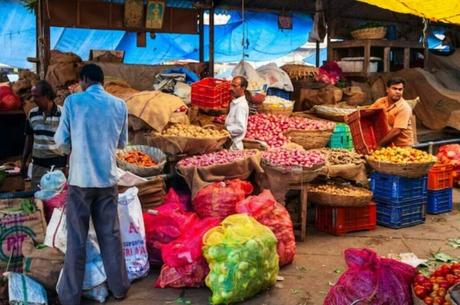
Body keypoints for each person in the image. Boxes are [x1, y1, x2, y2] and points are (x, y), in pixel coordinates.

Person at [54, 63, 129, 305]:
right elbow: (122, 144)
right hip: (107, 179)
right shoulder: (119, 105)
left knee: (77, 239)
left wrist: (75, 148)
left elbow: (61, 141)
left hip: (80, 180)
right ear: (102, 81)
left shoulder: (73, 103)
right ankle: (119, 288)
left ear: (84, 80)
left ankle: (70, 297)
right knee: (111, 236)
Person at [21, 80, 67, 189]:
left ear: (47, 96)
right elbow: (29, 139)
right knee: (37, 198)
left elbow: (71, 142)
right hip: (38, 166)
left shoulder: (64, 114)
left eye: (36, 96)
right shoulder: (32, 114)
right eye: (32, 96)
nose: (33, 100)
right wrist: (23, 162)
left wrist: (68, 166)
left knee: (56, 200)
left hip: (58, 168)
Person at [368, 77, 414, 147]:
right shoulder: (380, 101)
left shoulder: (404, 108)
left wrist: (379, 145)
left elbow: (396, 131)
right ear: (387, 89)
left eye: (400, 89)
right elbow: (367, 113)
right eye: (394, 88)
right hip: (386, 143)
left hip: (401, 146)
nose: (398, 92)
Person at [225, 76, 250, 150]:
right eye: (231, 85)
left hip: (234, 147)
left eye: (234, 86)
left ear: (243, 88)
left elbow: (240, 128)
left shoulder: (240, 106)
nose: (231, 88)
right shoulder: (235, 102)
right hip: (231, 145)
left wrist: (225, 131)